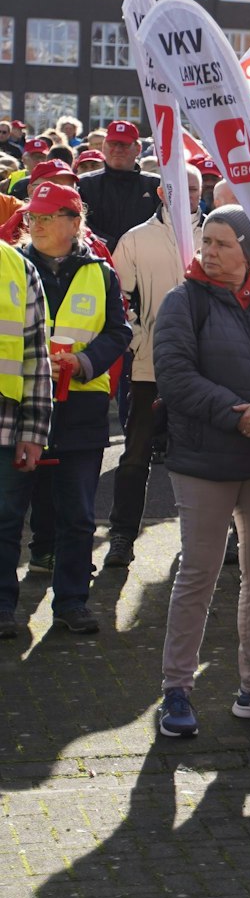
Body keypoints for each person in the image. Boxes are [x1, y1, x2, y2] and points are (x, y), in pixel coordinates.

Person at [150, 207, 250, 737]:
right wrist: (246, 418)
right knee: (198, 574)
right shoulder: (184, 301)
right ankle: (176, 691)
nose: (210, 251)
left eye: (222, 242)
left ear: (249, 249)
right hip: (206, 461)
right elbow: (175, 377)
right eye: (207, 241)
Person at [9, 183, 132, 634]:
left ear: (73, 221)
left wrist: (84, 361)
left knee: (78, 515)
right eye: (32, 217)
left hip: (80, 405)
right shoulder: (12, 267)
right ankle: (4, 609)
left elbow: (119, 332)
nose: (35, 224)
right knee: (9, 513)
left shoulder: (100, 271)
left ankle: (72, 603)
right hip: (21, 404)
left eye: (46, 216)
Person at [106, 164, 200, 568]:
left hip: (206, 370)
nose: (190, 196)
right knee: (135, 455)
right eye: (180, 189)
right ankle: (122, 536)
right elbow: (116, 299)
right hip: (149, 367)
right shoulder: (136, 239)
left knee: (205, 457)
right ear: (162, 193)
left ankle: (205, 538)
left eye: (195, 189)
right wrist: (139, 337)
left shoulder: (218, 235)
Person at [0, 229, 54, 641]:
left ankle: (2, 608)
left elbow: (37, 358)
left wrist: (34, 432)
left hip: (6, 426)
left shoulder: (17, 267)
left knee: (5, 523)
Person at [75, 120, 162, 252]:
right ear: (104, 147)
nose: (117, 149)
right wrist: (107, 243)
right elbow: (79, 223)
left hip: (144, 259)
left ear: (138, 148)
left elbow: (165, 224)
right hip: (97, 257)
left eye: (124, 145)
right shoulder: (85, 185)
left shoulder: (155, 186)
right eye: (112, 144)